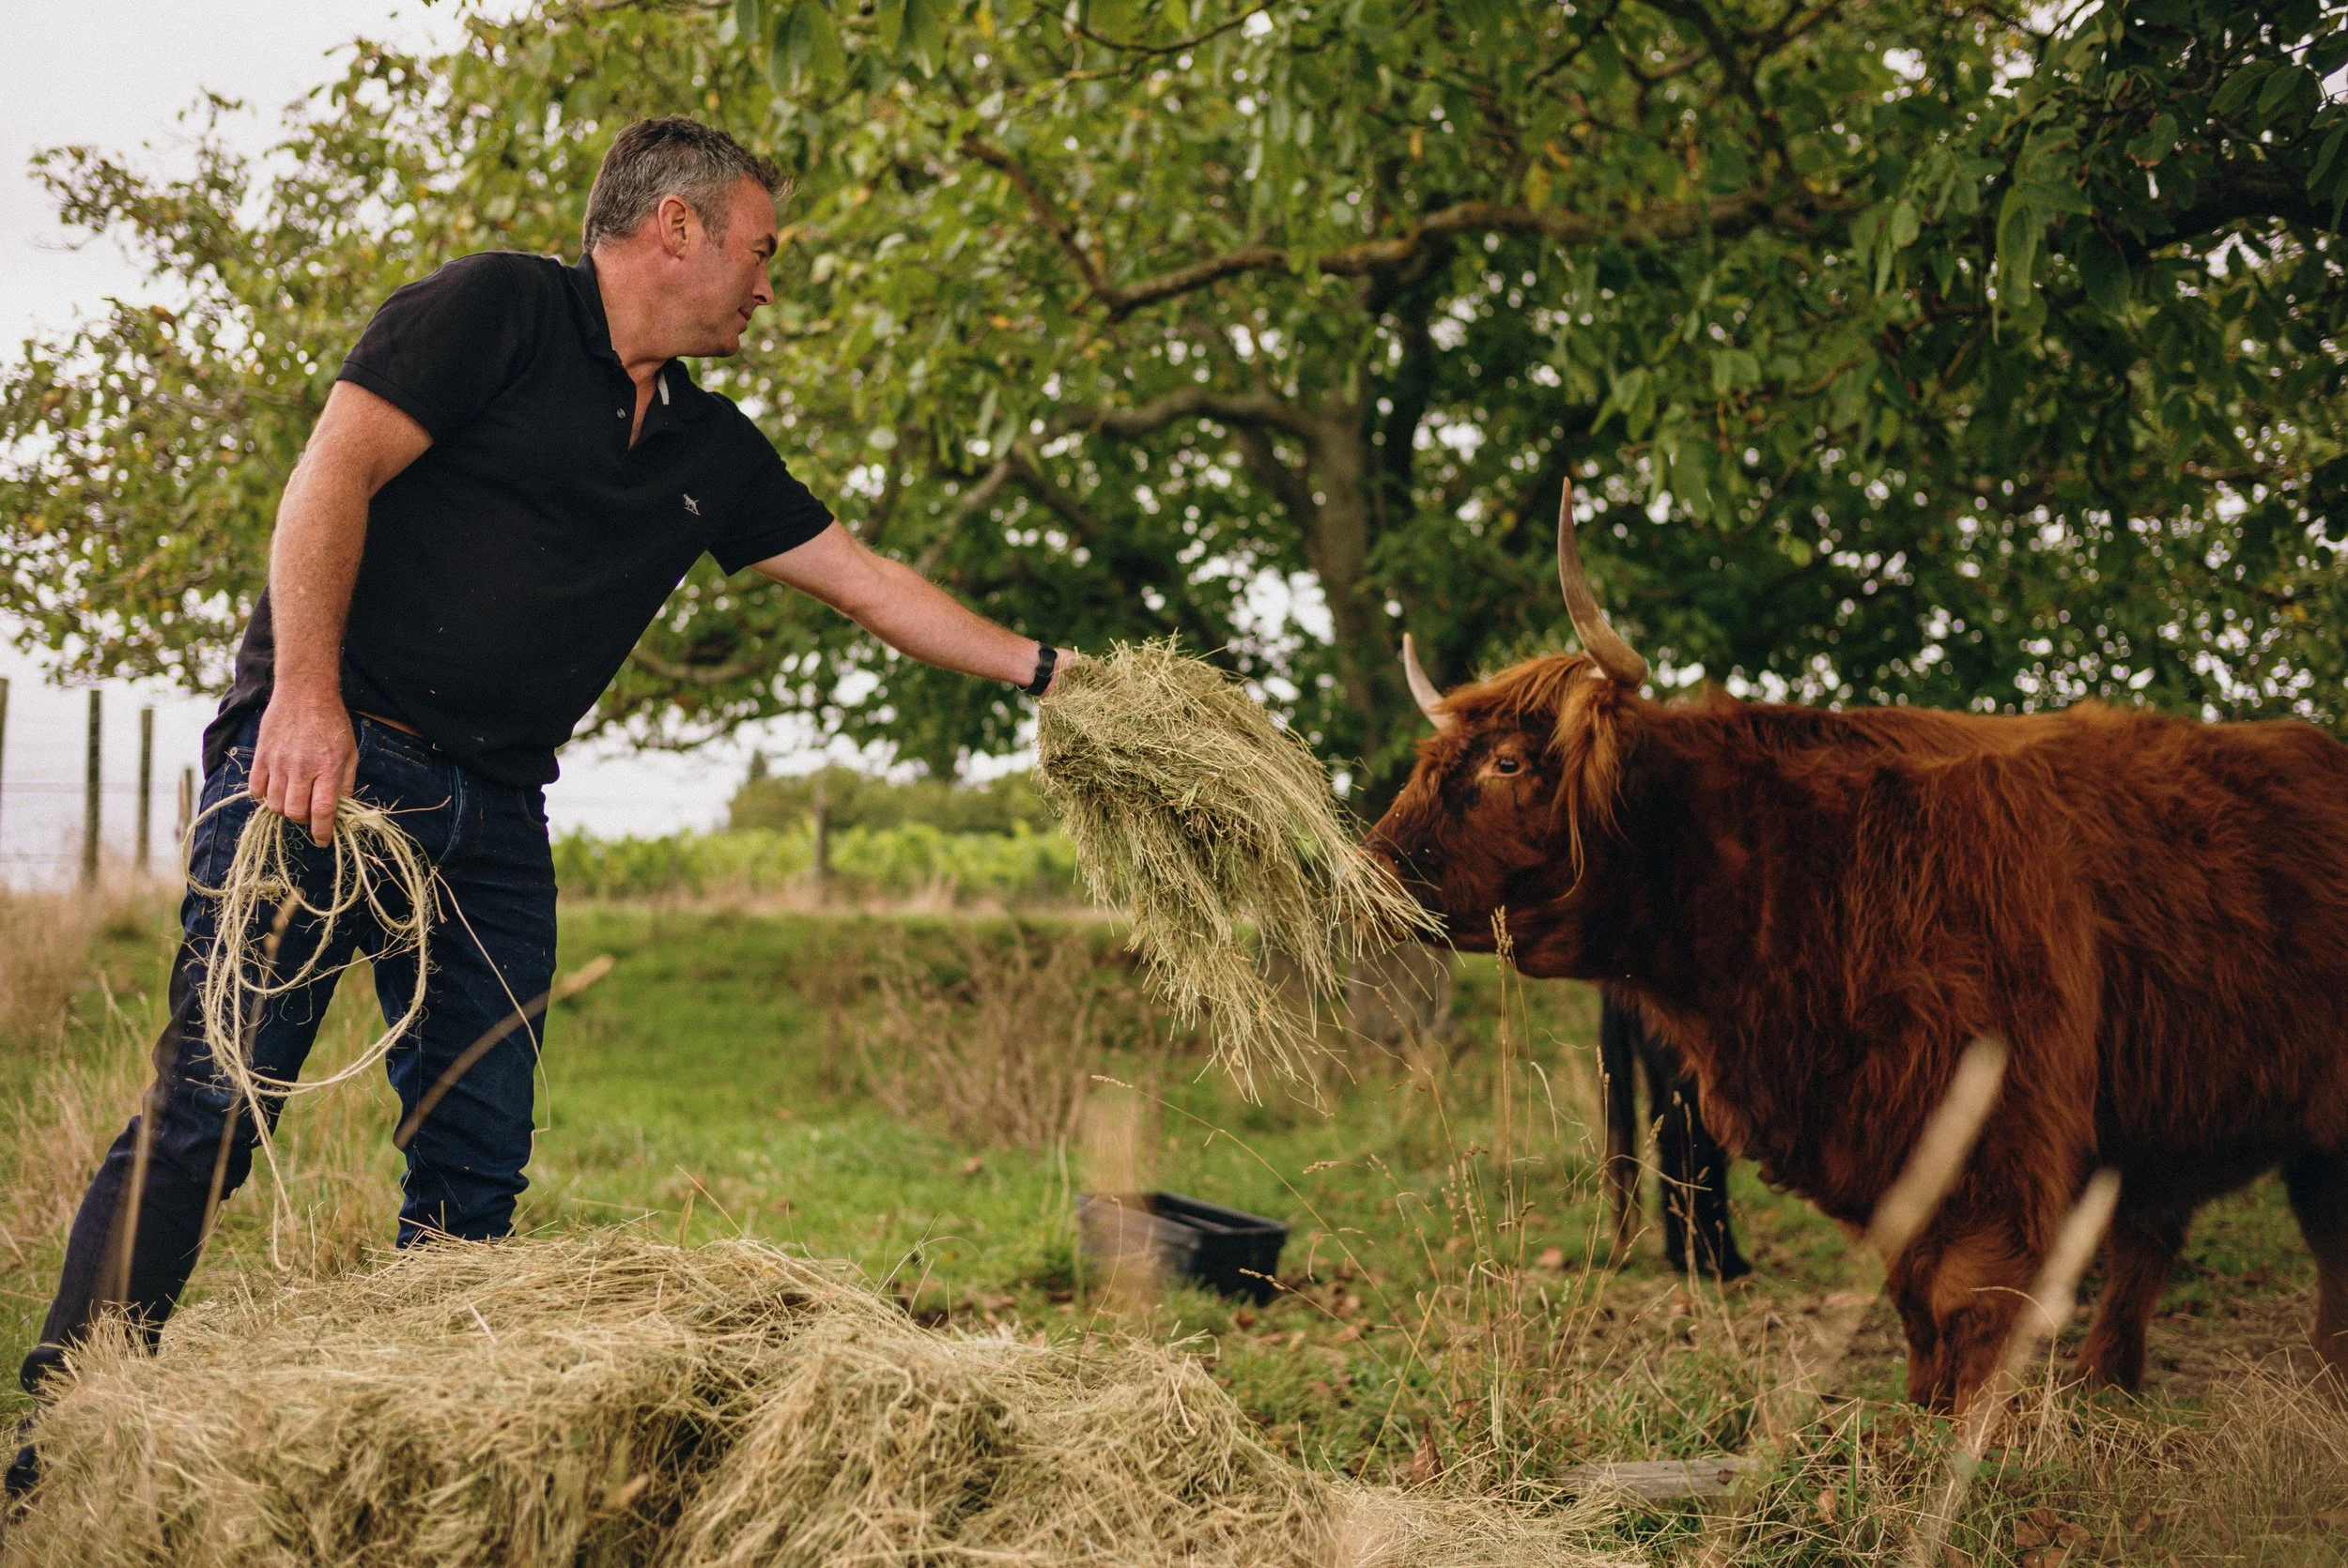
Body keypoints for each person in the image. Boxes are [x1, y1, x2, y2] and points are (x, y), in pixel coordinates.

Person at [8, 116, 1067, 1492]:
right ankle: (53, 1451)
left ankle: (416, 1466)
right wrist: (307, 697)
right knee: (213, 1112)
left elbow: (867, 582)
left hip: (495, 822)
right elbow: (329, 470)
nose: (769, 283)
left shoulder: (709, 446)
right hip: (327, 771)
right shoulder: (496, 310)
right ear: (674, 227)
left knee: (475, 1158)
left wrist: (1056, 675)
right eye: (760, 250)